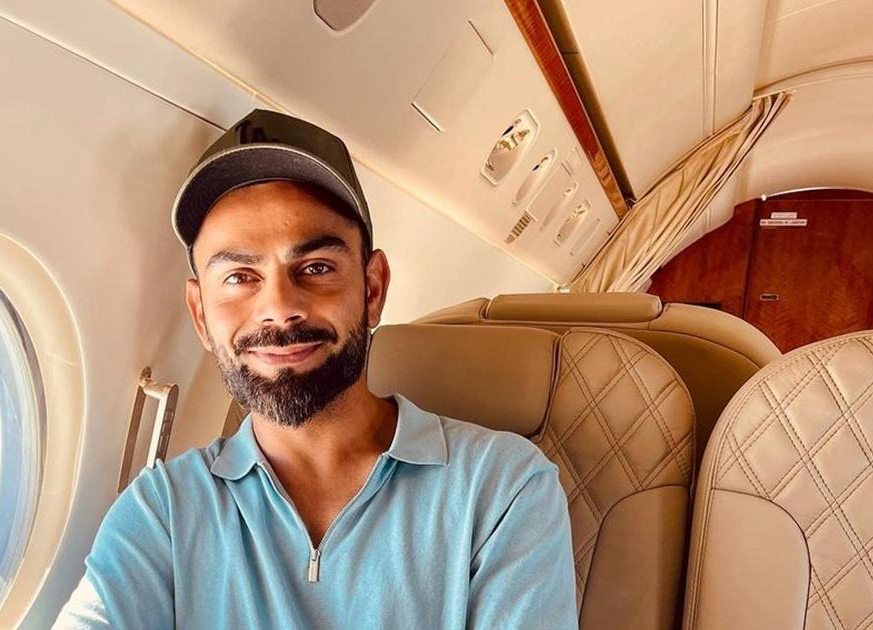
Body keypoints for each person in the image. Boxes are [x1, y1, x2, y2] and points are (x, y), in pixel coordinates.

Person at [53, 109, 578, 629]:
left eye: (316, 268)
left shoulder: (503, 488)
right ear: (200, 314)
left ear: (372, 290)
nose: (279, 308)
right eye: (239, 277)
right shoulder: (161, 512)